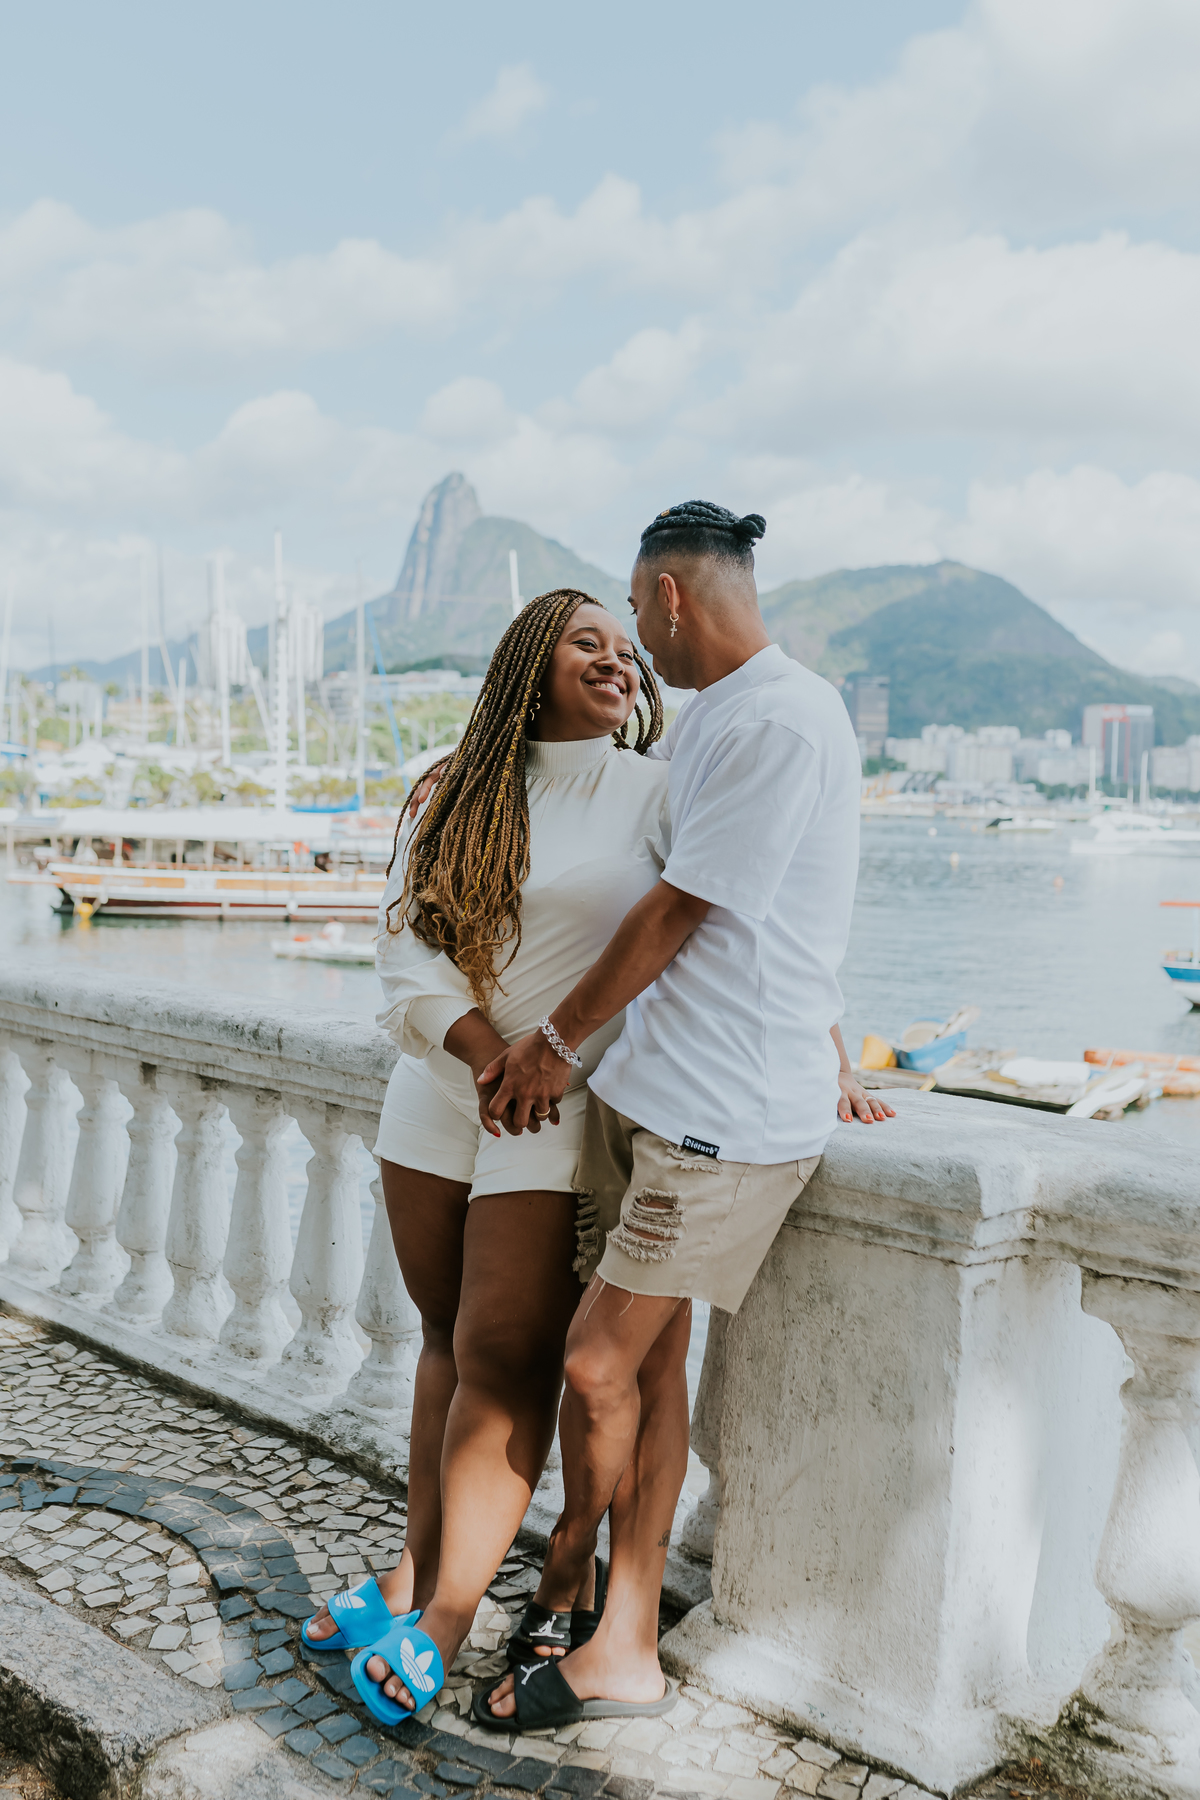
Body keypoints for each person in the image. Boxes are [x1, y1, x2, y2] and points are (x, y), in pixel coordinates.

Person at [474, 500, 891, 1734]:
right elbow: (776, 921)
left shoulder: (783, 719)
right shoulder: (718, 716)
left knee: (593, 1363)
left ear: (666, 596)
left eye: (634, 613)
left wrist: (553, 1043)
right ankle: (604, 1613)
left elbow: (682, 910)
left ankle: (604, 1618)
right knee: (645, 1371)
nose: (635, 645)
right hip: (653, 1092)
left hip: (719, 1120)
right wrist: (833, 1044)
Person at [301, 587, 677, 1724]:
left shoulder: (657, 790)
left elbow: (708, 930)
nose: (616, 660)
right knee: (440, 1340)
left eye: (627, 649)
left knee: (501, 1354)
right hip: (445, 1086)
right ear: (529, 663)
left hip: (554, 1102)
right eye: (586, 642)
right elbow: (404, 945)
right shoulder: (453, 786)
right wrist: (482, 1055)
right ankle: (412, 1576)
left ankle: (445, 1623)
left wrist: (829, 1053)